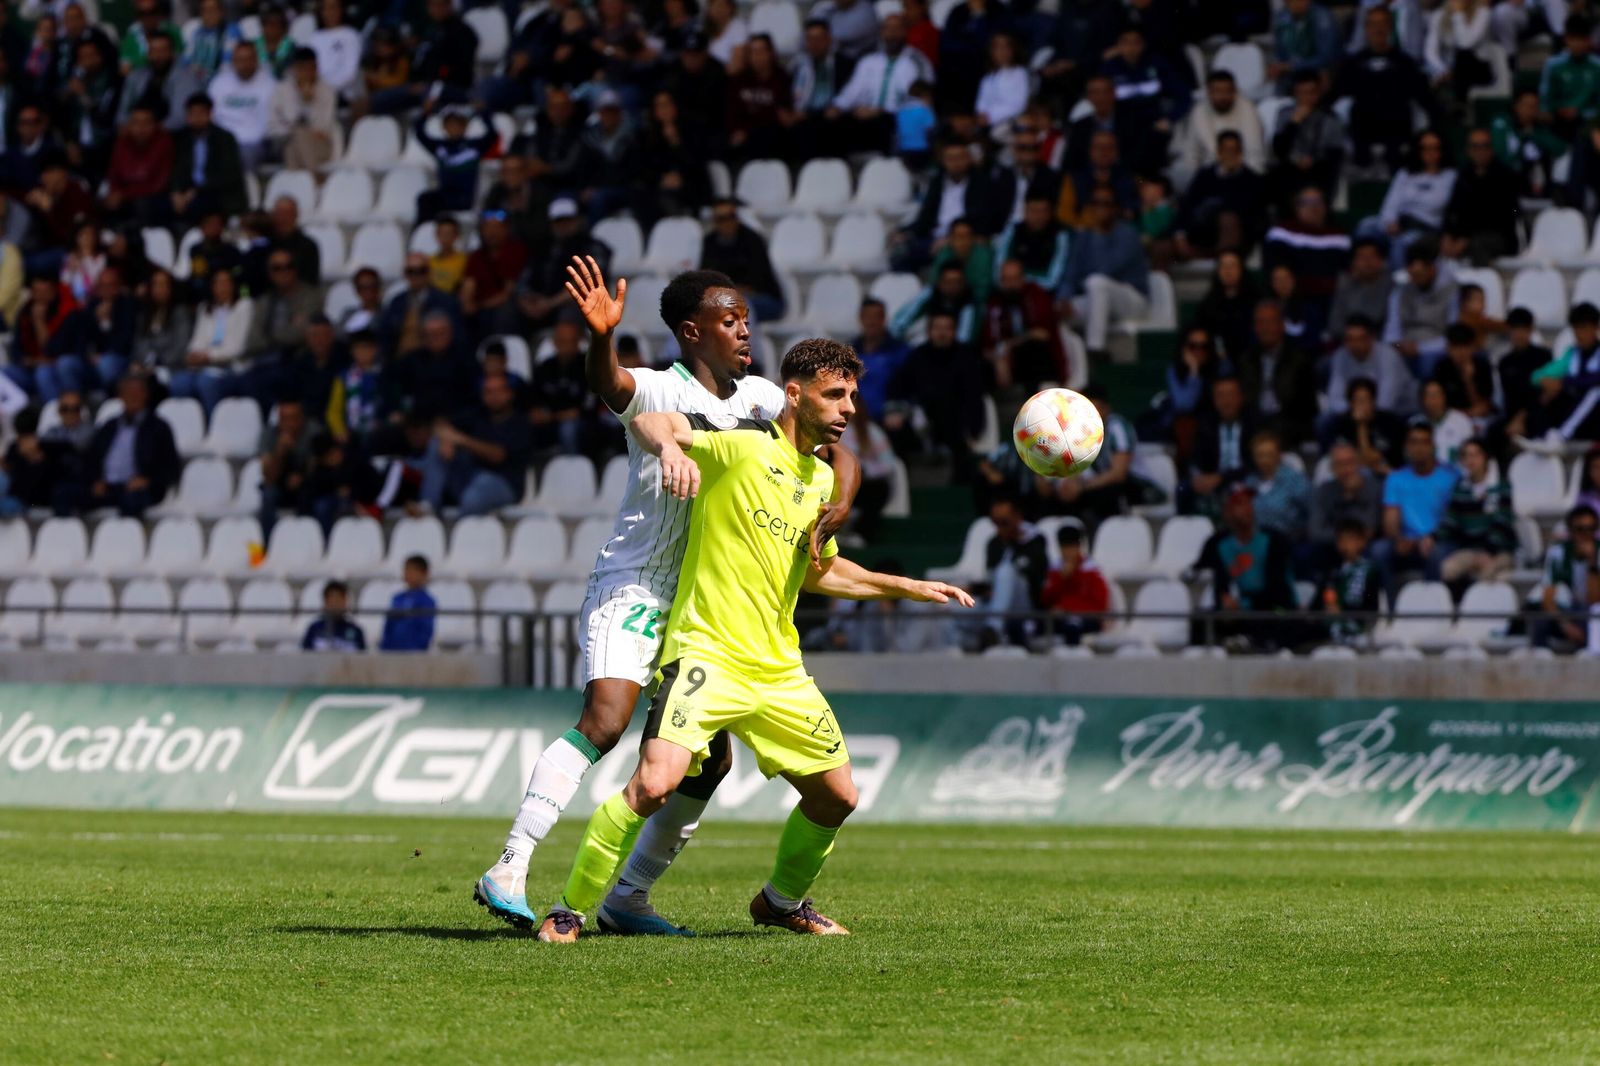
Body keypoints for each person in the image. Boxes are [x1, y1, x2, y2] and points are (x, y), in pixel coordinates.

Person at [533, 339, 971, 943]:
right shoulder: (740, 444)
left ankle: (780, 900)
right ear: (794, 394)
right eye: (833, 395)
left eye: (851, 396)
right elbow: (653, 419)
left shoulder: (818, 478)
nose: (848, 409)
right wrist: (668, 448)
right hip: (706, 656)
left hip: (778, 670)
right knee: (653, 785)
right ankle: (570, 909)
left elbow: (820, 570)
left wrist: (907, 586)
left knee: (837, 798)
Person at [476, 260, 861, 936]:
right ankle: (510, 864)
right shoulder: (658, 387)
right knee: (605, 720)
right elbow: (613, 386)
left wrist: (840, 505)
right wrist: (602, 339)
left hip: (698, 607)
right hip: (634, 584)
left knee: (709, 764)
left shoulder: (764, 400)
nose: (744, 329)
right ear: (692, 331)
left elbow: (841, 447)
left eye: (746, 317)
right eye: (728, 319)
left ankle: (627, 900)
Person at [1191, 484, 1298, 651]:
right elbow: (1204, 575)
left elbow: (1280, 590)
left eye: (1248, 503)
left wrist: (1244, 604)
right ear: (1226, 511)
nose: (1246, 509)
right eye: (1239, 504)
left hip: (1271, 609)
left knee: (1279, 621)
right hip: (1235, 613)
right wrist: (1224, 604)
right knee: (1200, 621)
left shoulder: (1274, 540)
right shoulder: (1216, 544)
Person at [1331, 6, 1438, 168]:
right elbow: (1337, 94)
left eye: (1382, 24)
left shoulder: (1405, 62)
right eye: (1373, 24)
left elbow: (1423, 95)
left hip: (1396, 127)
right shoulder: (1353, 64)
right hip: (1364, 127)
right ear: (1366, 28)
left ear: (1389, 27)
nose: (1378, 29)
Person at [71, 373, 179, 518]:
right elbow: (92, 458)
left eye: (137, 392)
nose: (132, 396)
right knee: (65, 494)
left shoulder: (158, 427)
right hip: (107, 487)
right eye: (127, 392)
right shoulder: (109, 426)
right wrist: (96, 480)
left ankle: (124, 539)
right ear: (120, 396)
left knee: (131, 501)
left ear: (146, 395)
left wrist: (147, 480)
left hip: (137, 488)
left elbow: (171, 466)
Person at [1372, 421, 1458, 599]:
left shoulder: (1450, 477)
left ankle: (1432, 610)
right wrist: (1398, 539)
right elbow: (1390, 518)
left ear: (1433, 446)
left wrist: (1430, 538)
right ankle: (1392, 611)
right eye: (1413, 442)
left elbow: (1454, 519)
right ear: (1406, 447)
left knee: (1435, 553)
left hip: (1439, 540)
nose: (1419, 448)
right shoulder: (1396, 478)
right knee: (1379, 550)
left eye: (1424, 442)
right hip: (1407, 542)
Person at [1058, 188, 1148, 357]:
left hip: (1132, 300)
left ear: (1116, 208)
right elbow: (1071, 272)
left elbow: (1105, 268)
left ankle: (1095, 348)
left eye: (1107, 204)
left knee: (1097, 282)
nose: (1101, 208)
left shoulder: (1127, 234)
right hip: (1097, 298)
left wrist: (1098, 230)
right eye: (1096, 203)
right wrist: (1064, 299)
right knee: (1057, 311)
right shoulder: (1083, 236)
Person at [1435, 436, 1515, 589]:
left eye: (1476, 455)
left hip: (1499, 551)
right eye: (1466, 455)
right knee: (1447, 569)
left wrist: (1488, 551)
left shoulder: (1501, 487)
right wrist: (1432, 537)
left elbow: (1503, 524)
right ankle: (1455, 610)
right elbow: (1450, 520)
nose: (1471, 460)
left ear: (1485, 458)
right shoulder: (1460, 488)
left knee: (1485, 575)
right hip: (1471, 550)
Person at [972, 495, 1048, 650]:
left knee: (1006, 571)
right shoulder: (994, 543)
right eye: (995, 522)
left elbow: (1037, 585)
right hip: (997, 604)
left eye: (1004, 522)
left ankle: (994, 629)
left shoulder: (1035, 541)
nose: (999, 528)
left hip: (1025, 608)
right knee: (954, 610)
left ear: (1018, 518)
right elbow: (991, 584)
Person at [983, 259, 1064, 394]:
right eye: (1006, 279)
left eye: (1014, 278)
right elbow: (987, 344)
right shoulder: (994, 302)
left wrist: (1011, 344)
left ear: (1023, 279)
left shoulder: (1036, 295)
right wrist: (998, 359)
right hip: (1004, 359)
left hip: (1035, 359)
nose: (1011, 284)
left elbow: (1043, 334)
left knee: (1035, 350)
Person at [699, 199, 785, 323]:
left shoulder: (752, 240)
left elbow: (757, 281)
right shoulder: (709, 242)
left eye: (731, 216)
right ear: (715, 221)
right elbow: (705, 277)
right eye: (721, 219)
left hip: (762, 299)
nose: (727, 222)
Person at [1268, 71, 1345, 209]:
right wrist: (1293, 123)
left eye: (1311, 92)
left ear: (1318, 93)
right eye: (1301, 93)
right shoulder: (1285, 114)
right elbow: (1278, 149)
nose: (1306, 98)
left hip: (1318, 171)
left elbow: (1335, 154)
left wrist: (1314, 160)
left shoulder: (1331, 117)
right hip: (1290, 170)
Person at [169, 93, 247, 223]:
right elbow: (175, 169)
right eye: (192, 113)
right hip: (187, 191)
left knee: (200, 205)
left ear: (210, 113)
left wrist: (197, 191)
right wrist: (176, 192)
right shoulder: (181, 139)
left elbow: (228, 174)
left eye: (200, 113)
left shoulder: (224, 138)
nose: (196, 118)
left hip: (217, 192)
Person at [1308, 441, 1383, 576]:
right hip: (1333, 545)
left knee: (1378, 551)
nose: (1346, 469)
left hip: (1365, 545)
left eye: (1350, 463)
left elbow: (1369, 528)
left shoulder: (1373, 488)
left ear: (1359, 464)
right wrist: (1342, 539)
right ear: (1332, 468)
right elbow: (1316, 531)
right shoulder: (1324, 491)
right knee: (1310, 551)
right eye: (1340, 464)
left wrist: (1354, 496)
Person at [414, 105, 497, 223]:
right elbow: (420, 134)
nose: (454, 128)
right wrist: (425, 113)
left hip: (463, 199)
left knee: (428, 201)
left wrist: (483, 112)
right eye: (450, 124)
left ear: (465, 126)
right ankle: (423, 234)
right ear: (444, 127)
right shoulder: (440, 147)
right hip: (445, 195)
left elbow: (492, 135)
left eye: (457, 124)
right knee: (425, 199)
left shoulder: (474, 147)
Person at [1177, 70, 1265, 181]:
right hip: (1208, 175)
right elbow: (1191, 152)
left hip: (1242, 175)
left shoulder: (1248, 109)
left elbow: (1254, 153)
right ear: (1209, 93)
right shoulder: (1199, 112)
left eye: (1227, 91)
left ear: (1234, 92)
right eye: (1218, 92)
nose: (1223, 96)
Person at [1533, 505, 1599, 650]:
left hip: (1594, 614)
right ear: (1571, 531)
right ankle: (1539, 659)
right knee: (1540, 619)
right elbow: (1548, 598)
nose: (1586, 535)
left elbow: (1594, 600)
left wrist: (1592, 563)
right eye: (1580, 529)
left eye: (1591, 529)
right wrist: (1566, 626)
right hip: (1570, 611)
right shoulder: (1558, 553)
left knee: (1588, 613)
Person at [208, 40, 276, 171]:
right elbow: (212, 116)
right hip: (223, 141)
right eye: (240, 60)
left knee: (244, 156)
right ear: (233, 61)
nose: (245, 64)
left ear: (256, 60)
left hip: (255, 143)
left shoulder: (270, 84)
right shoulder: (219, 83)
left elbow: (272, 122)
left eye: (249, 59)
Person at [267, 47, 337, 171]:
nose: (308, 73)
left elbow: (324, 127)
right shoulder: (281, 89)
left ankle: (303, 183)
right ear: (295, 69)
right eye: (304, 69)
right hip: (287, 142)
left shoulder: (327, 91)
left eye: (312, 68)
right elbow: (273, 125)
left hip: (320, 146)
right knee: (294, 140)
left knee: (297, 138)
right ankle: (313, 178)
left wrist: (309, 103)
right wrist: (302, 102)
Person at [1040, 524, 1109, 646]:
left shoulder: (1091, 570)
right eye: (1064, 547)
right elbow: (1046, 601)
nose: (1067, 552)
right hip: (1060, 619)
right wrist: (1062, 579)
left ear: (1078, 547)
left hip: (1085, 618)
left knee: (1072, 626)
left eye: (1071, 547)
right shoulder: (1055, 570)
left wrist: (1067, 608)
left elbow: (1099, 605)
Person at [1318, 518, 1382, 646]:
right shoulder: (1332, 571)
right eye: (1341, 540)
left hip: (1355, 624)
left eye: (1350, 539)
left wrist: (1342, 612)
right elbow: (1319, 600)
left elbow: (1372, 606)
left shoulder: (1369, 571)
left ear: (1362, 542)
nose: (1345, 544)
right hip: (1328, 622)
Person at [1538, 14, 1600, 141]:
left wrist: (1581, 113)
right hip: (1558, 121)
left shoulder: (1597, 66)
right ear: (1566, 39)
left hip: (1588, 123)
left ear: (1588, 40)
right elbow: (1545, 99)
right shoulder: (1552, 65)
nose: (1577, 44)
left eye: (1581, 39)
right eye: (1573, 39)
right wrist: (1558, 109)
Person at [1246, 430, 1311, 541]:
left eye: (1269, 454)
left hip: (1289, 542)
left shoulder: (1295, 480)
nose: (1264, 460)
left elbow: (1310, 512)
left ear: (1279, 455)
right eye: (1260, 455)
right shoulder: (1249, 482)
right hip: (1256, 544)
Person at [380, 555, 437, 653]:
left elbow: (426, 630)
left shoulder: (427, 601)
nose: (407, 573)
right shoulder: (397, 598)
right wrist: (385, 647)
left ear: (424, 574)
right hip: (392, 652)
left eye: (412, 570)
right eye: (406, 569)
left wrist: (418, 649)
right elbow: (388, 626)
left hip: (414, 654)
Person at [301, 580, 365, 651]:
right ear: (325, 602)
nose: (335, 604)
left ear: (345, 602)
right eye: (331, 600)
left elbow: (362, 658)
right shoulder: (314, 629)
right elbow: (305, 657)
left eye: (338, 600)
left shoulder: (356, 631)